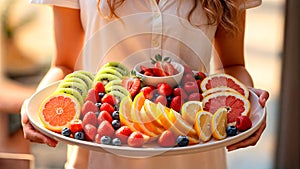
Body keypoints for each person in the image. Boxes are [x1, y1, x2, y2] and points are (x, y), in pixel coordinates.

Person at [21, 0, 269, 169]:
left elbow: (233, 66)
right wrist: (36, 105)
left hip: (195, 152)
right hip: (101, 156)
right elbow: (64, 65)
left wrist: (250, 105)